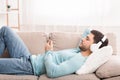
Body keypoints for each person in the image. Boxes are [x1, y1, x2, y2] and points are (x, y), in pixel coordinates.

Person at [0, 26, 108, 78]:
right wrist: (100, 40)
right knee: (5, 30)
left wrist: (48, 52)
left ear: (93, 47)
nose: (83, 38)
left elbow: (53, 72)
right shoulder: (78, 49)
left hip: (29, 67)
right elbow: (87, 30)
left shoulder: (78, 60)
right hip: (28, 57)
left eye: (87, 39)